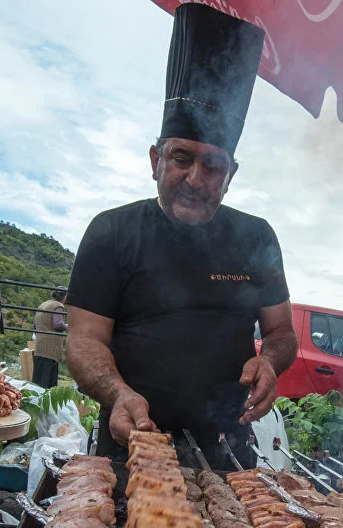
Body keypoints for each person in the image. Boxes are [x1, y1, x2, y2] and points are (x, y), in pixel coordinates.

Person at [66, 3, 297, 471]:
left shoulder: (256, 237)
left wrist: (270, 362)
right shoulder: (112, 231)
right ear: (155, 159)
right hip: (133, 437)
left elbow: (282, 332)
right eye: (181, 158)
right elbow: (84, 338)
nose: (195, 178)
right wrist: (118, 393)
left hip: (228, 446)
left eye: (213, 165)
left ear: (230, 174)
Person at [32, 286, 68, 389]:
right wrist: (69, 327)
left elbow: (34, 325)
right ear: (64, 296)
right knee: (48, 383)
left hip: (40, 347)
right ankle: (44, 404)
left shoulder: (43, 304)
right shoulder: (58, 305)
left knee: (38, 380)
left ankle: (34, 402)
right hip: (51, 349)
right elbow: (58, 324)